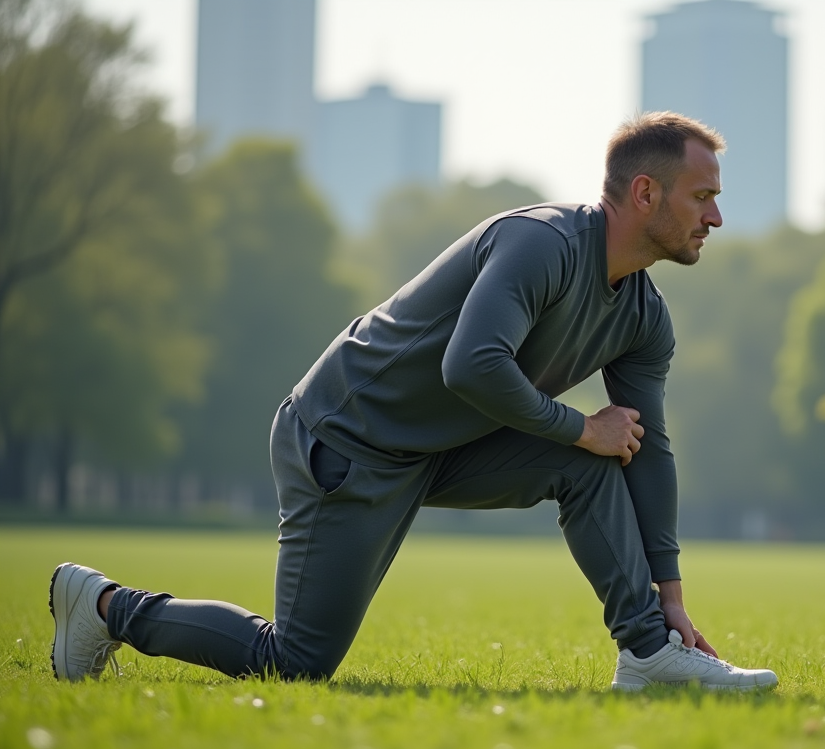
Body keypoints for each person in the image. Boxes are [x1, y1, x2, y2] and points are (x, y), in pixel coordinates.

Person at [49, 111, 778, 692]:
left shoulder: (645, 317)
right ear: (646, 192)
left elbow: (648, 452)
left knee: (589, 465)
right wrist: (580, 425)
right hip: (347, 437)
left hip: (447, 447)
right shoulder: (541, 244)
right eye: (703, 196)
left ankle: (649, 652)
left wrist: (671, 598)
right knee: (295, 662)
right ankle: (106, 605)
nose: (714, 217)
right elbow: (473, 365)